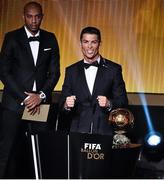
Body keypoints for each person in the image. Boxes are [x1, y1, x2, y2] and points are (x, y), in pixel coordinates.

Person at [0, 1, 60, 178]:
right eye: (29, 16)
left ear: (42, 17)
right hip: (14, 104)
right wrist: (26, 98)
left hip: (40, 104)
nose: (33, 21)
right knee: (7, 151)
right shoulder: (11, 37)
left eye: (37, 16)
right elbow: (4, 72)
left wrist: (40, 96)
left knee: (41, 151)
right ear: (23, 16)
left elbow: (54, 73)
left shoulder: (50, 38)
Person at [59, 26, 128, 135]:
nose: (89, 46)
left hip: (104, 131)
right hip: (78, 131)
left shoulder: (113, 69)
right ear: (81, 44)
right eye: (86, 42)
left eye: (94, 42)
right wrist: (66, 105)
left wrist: (109, 103)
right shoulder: (71, 70)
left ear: (99, 44)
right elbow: (62, 102)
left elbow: (123, 101)